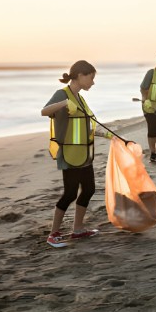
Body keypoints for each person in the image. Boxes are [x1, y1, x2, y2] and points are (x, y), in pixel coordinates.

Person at [41, 60, 111, 248]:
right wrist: (64, 103)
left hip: (83, 152)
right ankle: (53, 234)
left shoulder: (80, 98)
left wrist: (105, 134)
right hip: (70, 152)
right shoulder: (62, 94)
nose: (93, 82)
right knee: (70, 193)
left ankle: (78, 229)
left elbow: (83, 126)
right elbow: (44, 111)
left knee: (88, 190)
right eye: (91, 77)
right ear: (80, 75)